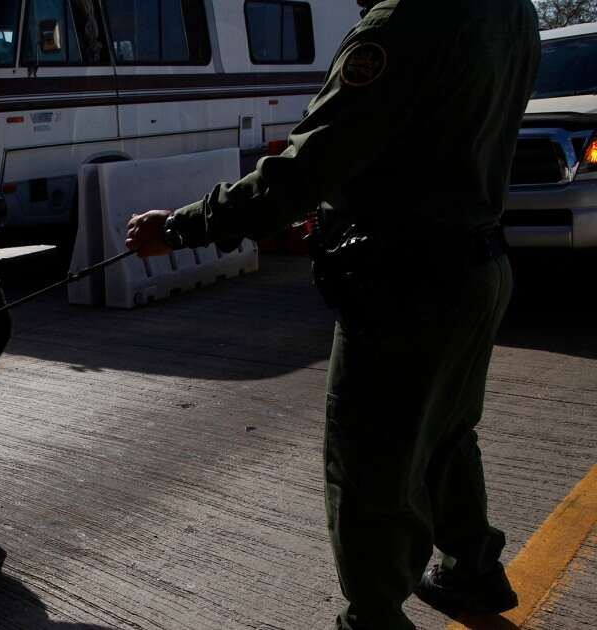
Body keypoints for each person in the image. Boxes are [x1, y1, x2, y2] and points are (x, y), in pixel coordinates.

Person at [124, 1, 540, 628]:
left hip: (404, 284)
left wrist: (181, 227)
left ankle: (374, 618)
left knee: (370, 463)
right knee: (447, 432)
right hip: (477, 266)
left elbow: (305, 168)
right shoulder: (510, 10)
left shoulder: (403, 23)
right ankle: (471, 573)